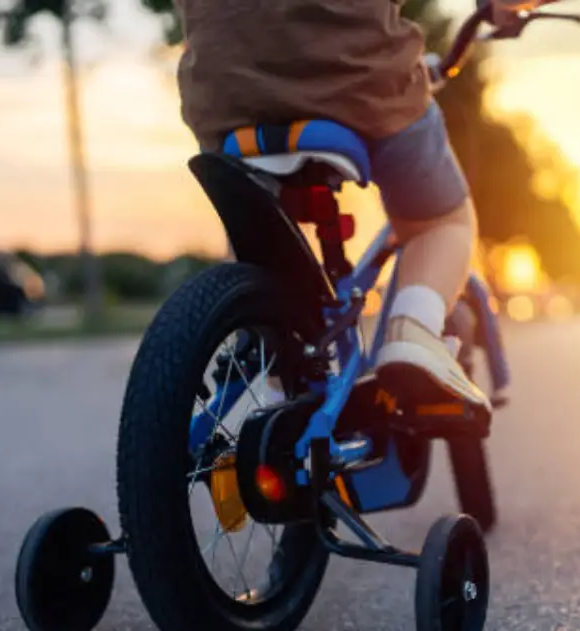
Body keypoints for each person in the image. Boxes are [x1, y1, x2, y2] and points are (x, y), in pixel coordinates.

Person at [173, 0, 537, 414]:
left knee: (258, 221)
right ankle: (413, 330)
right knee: (440, 222)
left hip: (223, 100)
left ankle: (273, 359)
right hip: (361, 84)